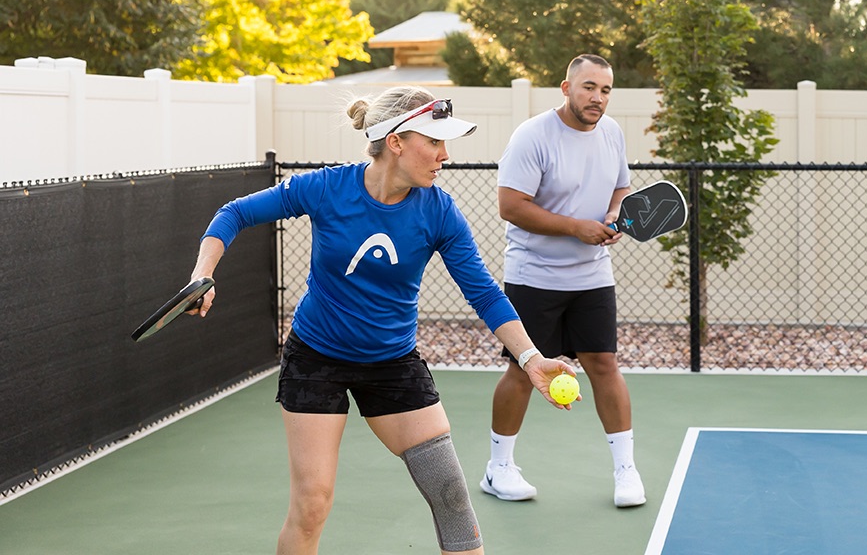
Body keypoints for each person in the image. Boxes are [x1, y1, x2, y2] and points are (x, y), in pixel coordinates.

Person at [185, 86, 579, 555]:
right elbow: (234, 213)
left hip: (393, 364)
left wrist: (531, 359)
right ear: (396, 142)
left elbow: (484, 293)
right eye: (434, 142)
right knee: (312, 506)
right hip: (316, 360)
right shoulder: (327, 188)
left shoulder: (439, 211)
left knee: (451, 497)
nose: (445, 155)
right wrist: (203, 275)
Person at [479, 54, 646, 508]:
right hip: (534, 275)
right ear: (566, 88)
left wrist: (614, 213)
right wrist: (576, 227)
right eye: (589, 87)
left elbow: (621, 187)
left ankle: (626, 470)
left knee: (605, 365)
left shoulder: (612, 133)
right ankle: (498, 468)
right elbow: (511, 206)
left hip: (593, 275)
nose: (598, 98)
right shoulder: (532, 136)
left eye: (606, 90)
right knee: (522, 370)